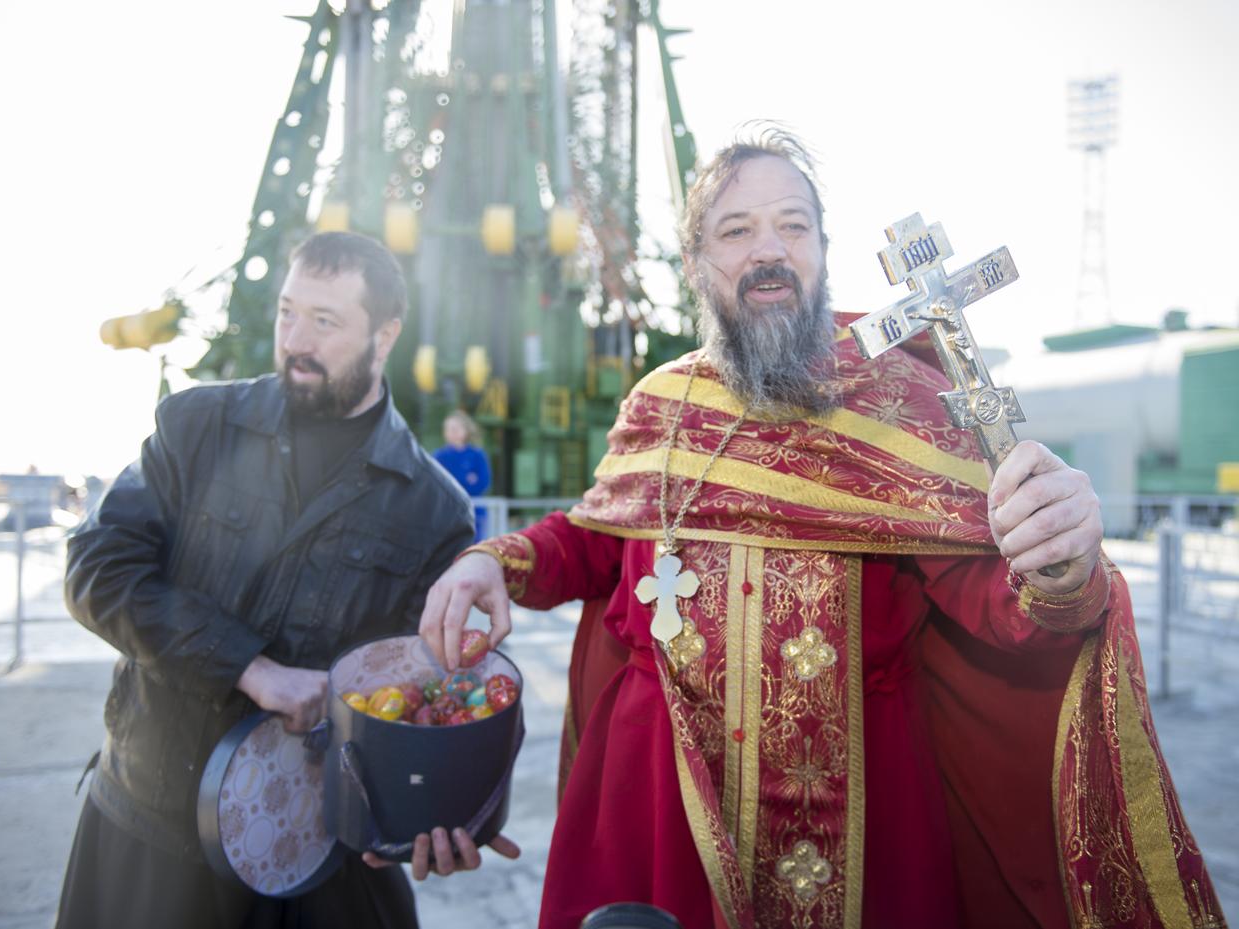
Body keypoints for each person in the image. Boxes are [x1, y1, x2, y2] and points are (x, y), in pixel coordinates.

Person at [418, 129, 1227, 928]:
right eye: (737, 230)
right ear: (700, 263)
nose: (769, 248)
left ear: (821, 252)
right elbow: (596, 538)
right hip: (658, 803)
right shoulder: (661, 401)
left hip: (868, 808)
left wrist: (1057, 561)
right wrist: (496, 560)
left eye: (792, 225)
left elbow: (994, 599)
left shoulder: (898, 404)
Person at [56, 231, 504, 929]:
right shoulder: (195, 424)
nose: (296, 339)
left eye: (325, 322)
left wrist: (436, 807)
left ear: (384, 336)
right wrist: (252, 668)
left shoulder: (433, 507)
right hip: (147, 828)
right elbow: (96, 571)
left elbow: (413, 699)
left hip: (314, 853)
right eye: (288, 313)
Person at [434, 409, 492, 540]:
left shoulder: (477, 455)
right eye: (448, 429)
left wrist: (455, 483)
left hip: (475, 514)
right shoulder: (439, 456)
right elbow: (437, 485)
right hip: (447, 514)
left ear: (466, 430)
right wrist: (466, 480)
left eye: (455, 428)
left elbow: (483, 484)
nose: (451, 432)